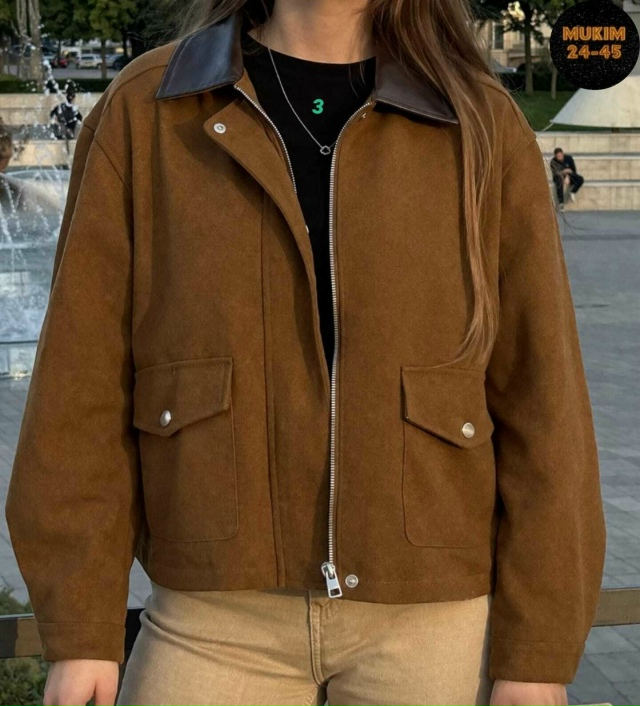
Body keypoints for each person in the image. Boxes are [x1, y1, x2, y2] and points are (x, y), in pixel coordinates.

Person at [5, 1, 607, 706]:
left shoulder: (480, 120)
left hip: (434, 617)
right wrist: (81, 627)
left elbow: (543, 397)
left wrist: (536, 652)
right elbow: (79, 386)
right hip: (213, 615)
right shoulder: (147, 110)